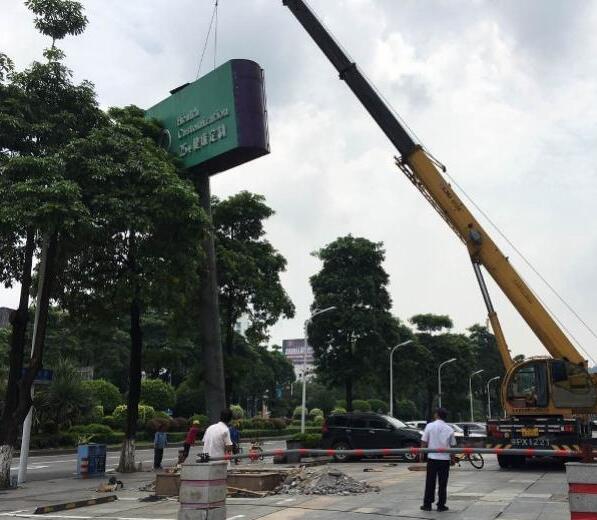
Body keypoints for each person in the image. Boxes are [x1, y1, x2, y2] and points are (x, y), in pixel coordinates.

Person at [420, 408, 456, 512]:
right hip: (444, 460)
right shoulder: (449, 429)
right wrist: (452, 459)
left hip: (432, 458)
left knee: (430, 482)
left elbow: (424, 441)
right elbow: (452, 446)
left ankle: (427, 504)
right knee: (443, 483)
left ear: (436, 415)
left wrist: (422, 454)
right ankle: (441, 505)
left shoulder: (430, 426)